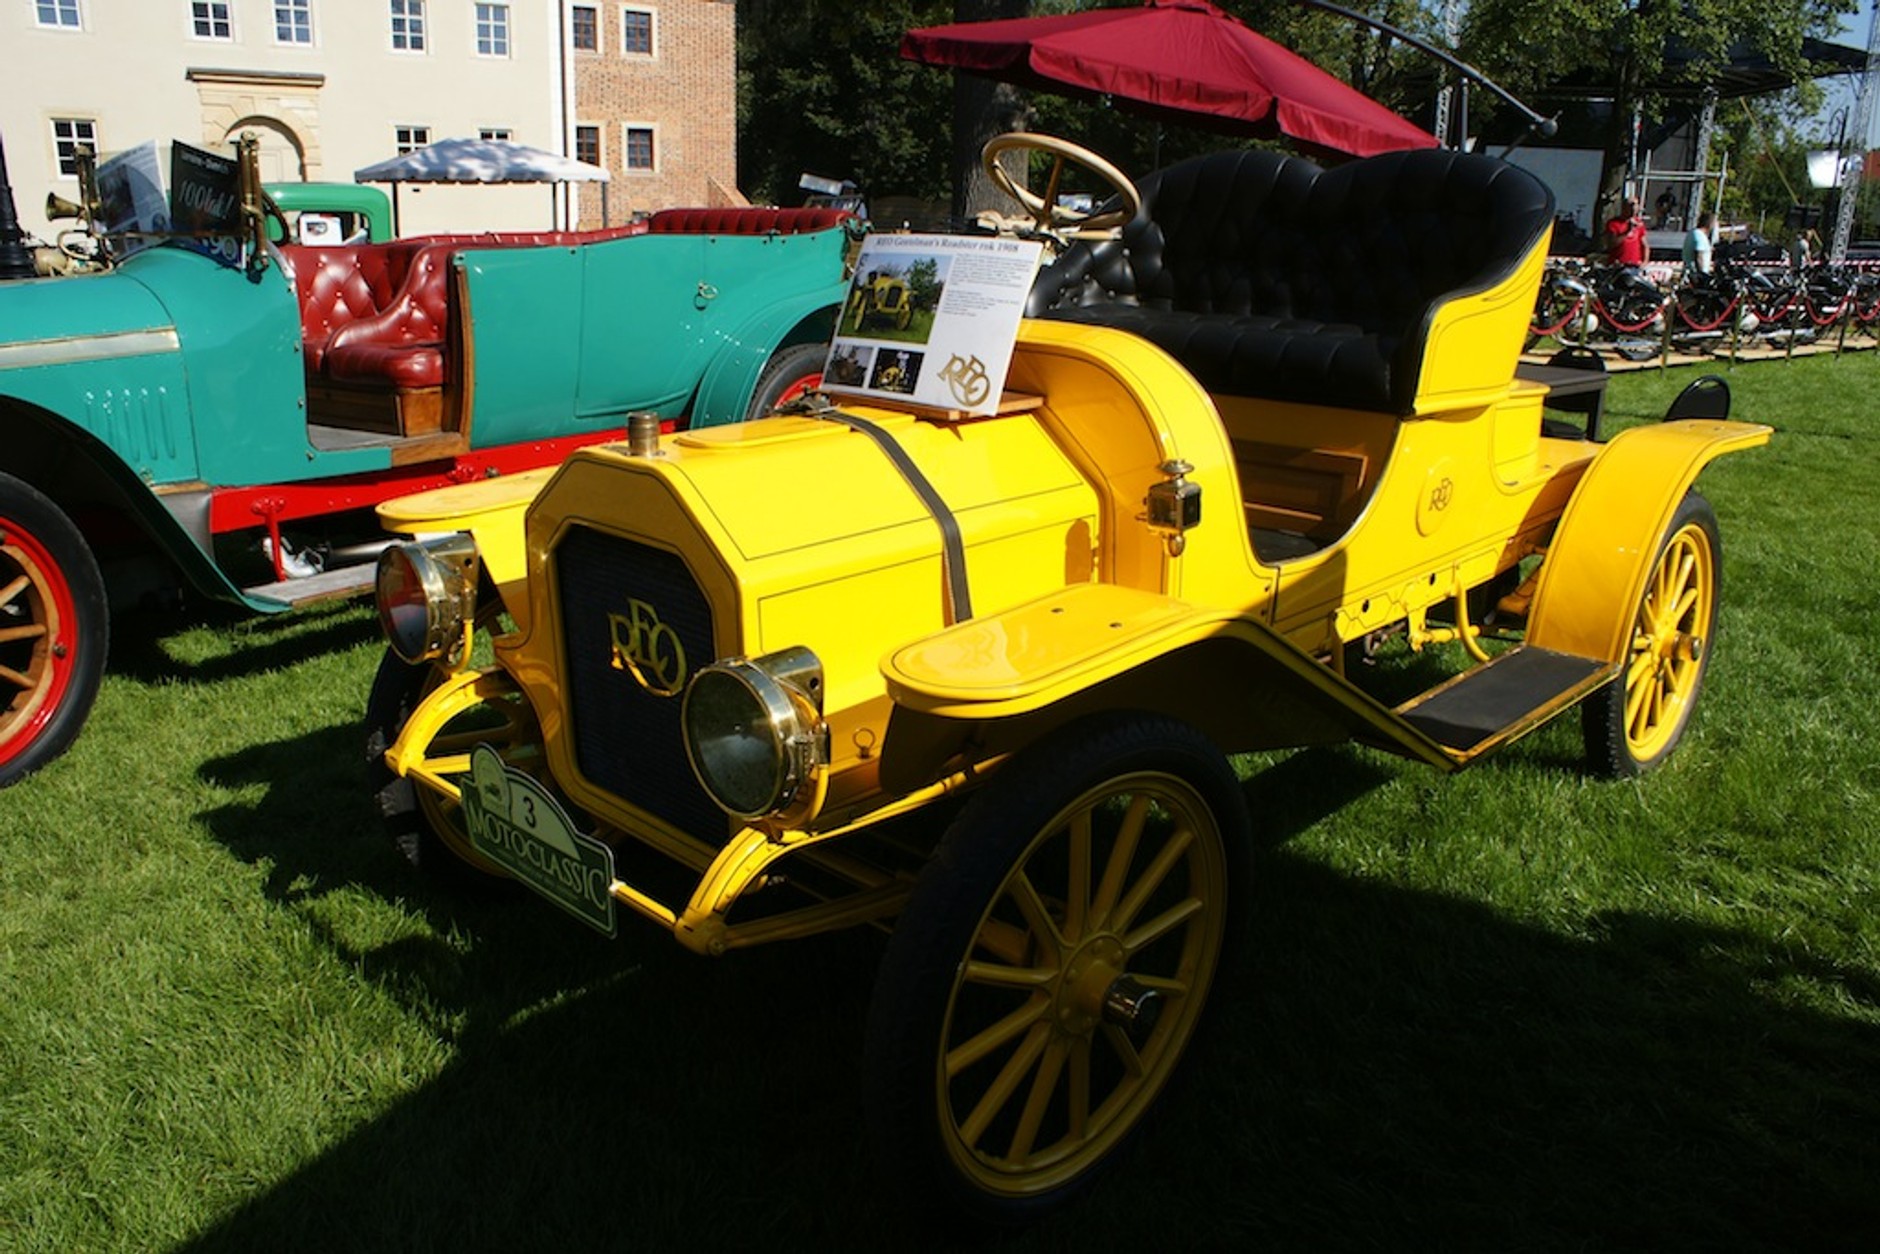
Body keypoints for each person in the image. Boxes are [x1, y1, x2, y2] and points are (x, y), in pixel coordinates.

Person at [1604, 197, 1648, 268]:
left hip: (1635, 265)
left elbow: (1645, 245)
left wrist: (1645, 262)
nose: (1633, 208)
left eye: (1635, 205)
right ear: (1624, 207)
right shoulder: (1613, 223)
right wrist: (1627, 231)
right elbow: (1611, 244)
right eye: (1631, 206)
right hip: (1618, 264)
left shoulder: (1639, 223)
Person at [1682, 211, 1717, 276]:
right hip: (1696, 275)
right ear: (1709, 223)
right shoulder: (1699, 235)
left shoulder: (1693, 233)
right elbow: (1698, 256)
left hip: (1689, 272)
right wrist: (1701, 274)